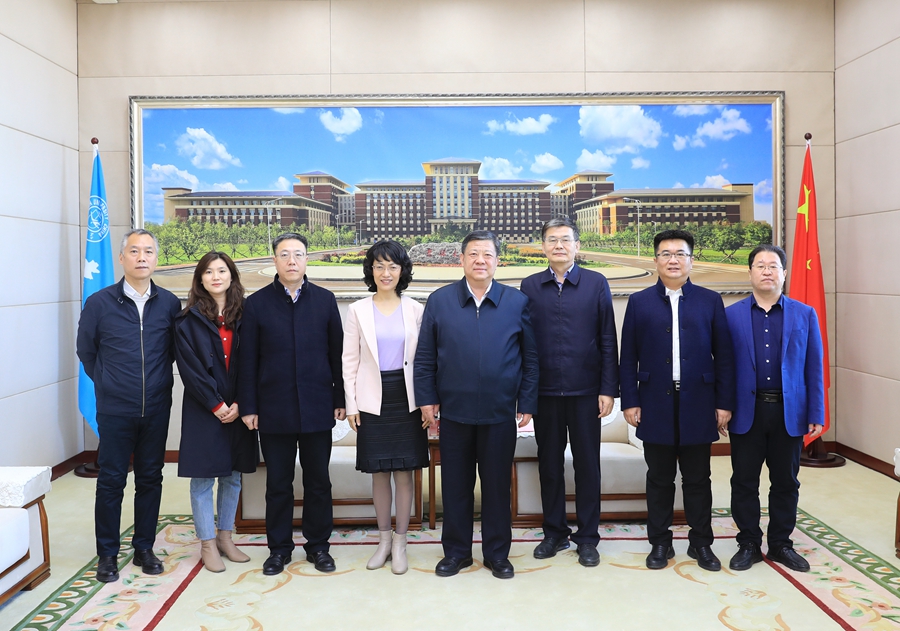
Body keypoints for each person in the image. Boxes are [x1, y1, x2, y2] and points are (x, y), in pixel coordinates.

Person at [415, 230, 539, 580]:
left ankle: (497, 554)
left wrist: (527, 401)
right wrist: (427, 399)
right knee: (456, 486)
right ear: (462, 259)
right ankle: (457, 553)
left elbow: (530, 359)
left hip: (500, 413)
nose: (480, 260)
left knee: (497, 487)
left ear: (498, 260)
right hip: (454, 413)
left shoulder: (516, 302)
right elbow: (425, 357)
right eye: (473, 254)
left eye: (487, 254)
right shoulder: (440, 301)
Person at [620, 229, 735, 572]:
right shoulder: (639, 302)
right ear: (655, 260)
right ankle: (660, 542)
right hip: (654, 401)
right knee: (659, 478)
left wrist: (724, 403)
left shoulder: (710, 300)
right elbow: (628, 357)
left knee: (698, 479)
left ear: (691, 260)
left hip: (699, 401)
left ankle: (701, 543)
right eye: (666, 254)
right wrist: (630, 401)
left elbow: (724, 356)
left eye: (680, 254)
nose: (673, 260)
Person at [76, 228, 182, 583]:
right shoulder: (100, 302)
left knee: (151, 478)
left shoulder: (169, 303)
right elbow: (86, 350)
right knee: (111, 480)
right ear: (122, 258)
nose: (141, 257)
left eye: (148, 251)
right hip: (115, 409)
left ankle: (144, 548)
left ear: (156, 259)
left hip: (156, 407)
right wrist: (108, 382)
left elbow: (172, 351)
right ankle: (107, 554)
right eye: (134, 251)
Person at [238, 233, 345, 576]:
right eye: (284, 254)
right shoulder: (256, 304)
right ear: (275, 260)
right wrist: (249, 406)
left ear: (307, 259)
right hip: (273, 409)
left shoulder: (325, 300)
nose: (292, 261)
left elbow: (337, 355)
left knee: (318, 481)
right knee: (278, 484)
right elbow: (247, 361)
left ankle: (318, 547)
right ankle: (279, 549)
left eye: (298, 254)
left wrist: (340, 398)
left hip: (317, 405)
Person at [520, 217, 619, 567]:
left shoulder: (595, 283)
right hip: (545, 393)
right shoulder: (530, 286)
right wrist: (526, 394)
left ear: (577, 246)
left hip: (586, 392)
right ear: (543, 247)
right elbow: (524, 344)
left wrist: (608, 389)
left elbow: (608, 337)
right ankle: (555, 533)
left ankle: (588, 538)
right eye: (552, 240)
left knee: (587, 466)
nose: (559, 245)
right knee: (549, 466)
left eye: (565, 239)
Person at [725, 244, 824, 573]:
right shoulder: (731, 315)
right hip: (746, 411)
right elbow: (723, 367)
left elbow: (814, 367)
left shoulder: (804, 314)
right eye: (760, 265)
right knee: (744, 481)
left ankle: (781, 543)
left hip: (789, 412)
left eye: (773, 266)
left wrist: (817, 412)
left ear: (784, 273)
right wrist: (722, 407)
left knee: (786, 482)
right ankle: (749, 543)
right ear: (750, 272)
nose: (767, 271)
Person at [342, 240, 429, 575]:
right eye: (379, 266)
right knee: (379, 473)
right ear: (371, 270)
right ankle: (382, 542)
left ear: (402, 271)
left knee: (404, 473)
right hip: (371, 400)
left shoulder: (416, 309)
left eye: (393, 266)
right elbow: (349, 362)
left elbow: (425, 361)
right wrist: (352, 405)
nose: (386, 272)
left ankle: (401, 543)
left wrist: (427, 402)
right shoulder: (358, 310)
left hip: (407, 398)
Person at [174, 252, 258, 573]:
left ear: (232, 276)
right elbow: (190, 369)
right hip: (203, 409)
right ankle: (207, 543)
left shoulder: (247, 315)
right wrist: (216, 404)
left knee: (232, 475)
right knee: (202, 478)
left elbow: (255, 360)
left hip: (239, 407)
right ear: (200, 279)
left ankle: (225, 537)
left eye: (222, 271)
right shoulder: (187, 320)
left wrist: (241, 403)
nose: (216, 277)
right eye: (208, 272)